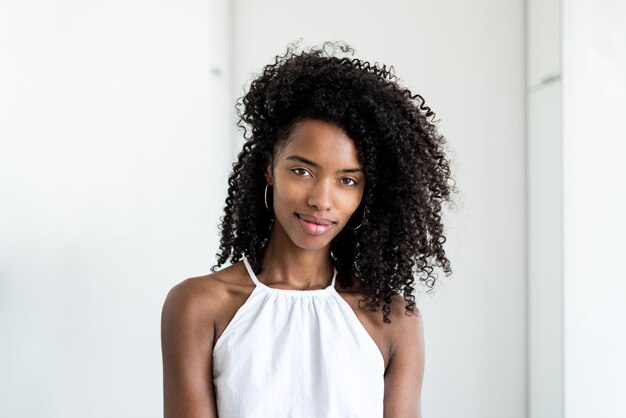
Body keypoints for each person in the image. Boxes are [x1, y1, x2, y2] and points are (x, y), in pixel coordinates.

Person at [161, 41, 454, 418]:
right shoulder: (199, 306)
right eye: (302, 171)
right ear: (270, 167)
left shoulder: (392, 319)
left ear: (367, 192)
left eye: (347, 180)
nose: (321, 199)